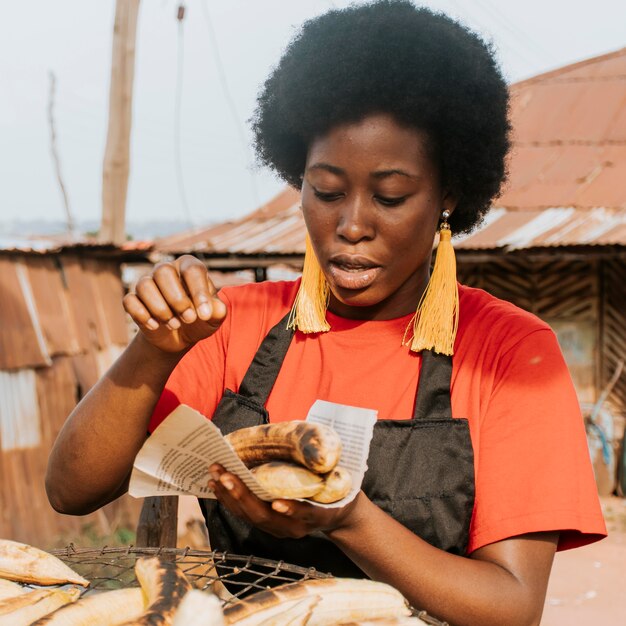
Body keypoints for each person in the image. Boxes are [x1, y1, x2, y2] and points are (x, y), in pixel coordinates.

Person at [46, 2, 606, 624]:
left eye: (391, 196)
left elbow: (512, 607)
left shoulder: (511, 354)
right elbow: (71, 491)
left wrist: (350, 520)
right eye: (327, 191)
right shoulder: (232, 323)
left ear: (448, 194)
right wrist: (152, 350)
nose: (351, 226)